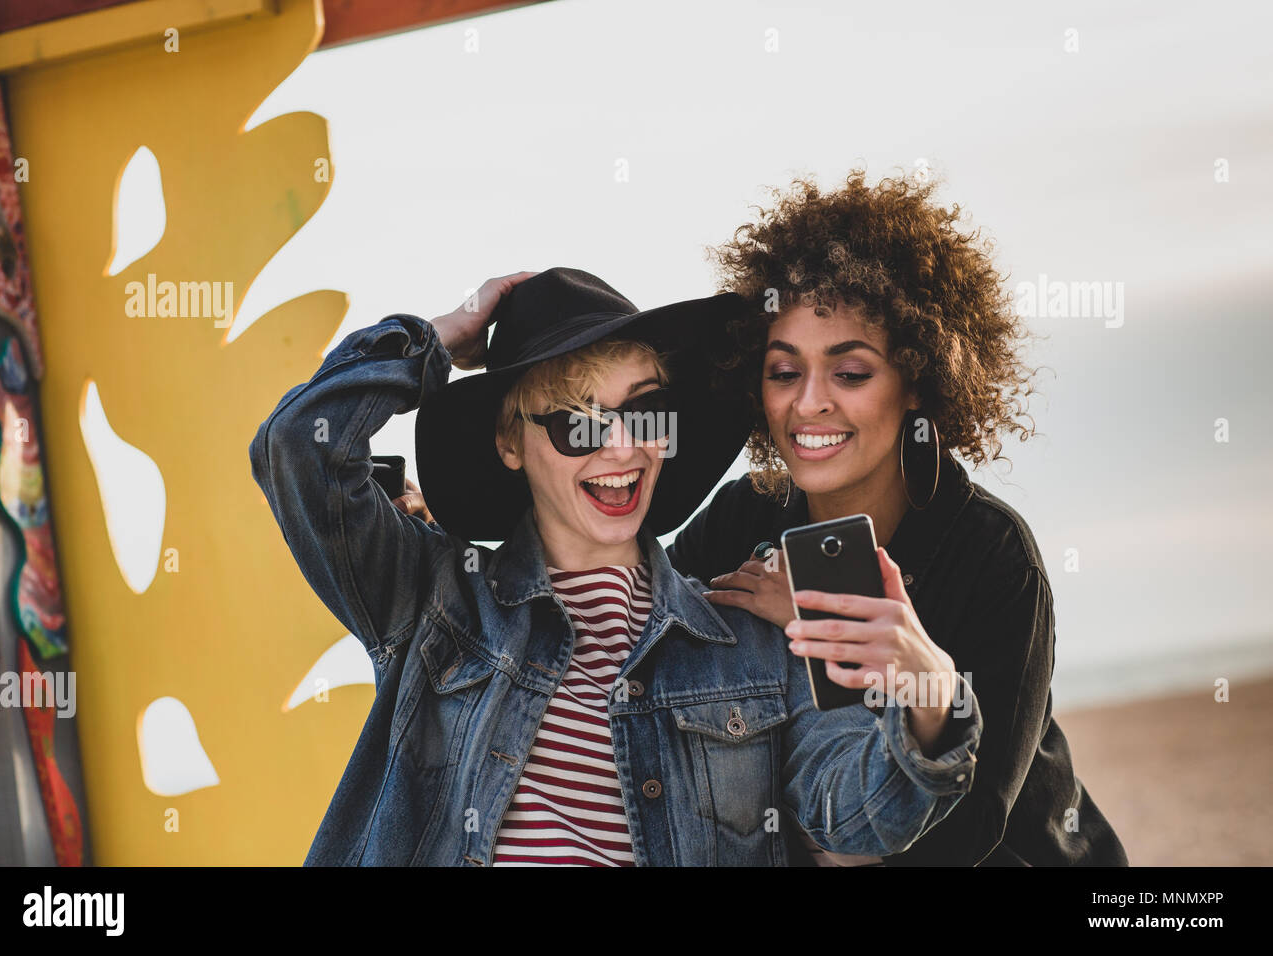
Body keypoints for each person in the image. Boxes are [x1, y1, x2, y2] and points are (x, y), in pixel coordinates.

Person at [248, 266, 983, 866]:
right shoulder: (433, 601)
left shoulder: (751, 645)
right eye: (576, 423)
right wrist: (435, 338)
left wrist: (930, 690)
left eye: (645, 411)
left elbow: (854, 823)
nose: (622, 448)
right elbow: (298, 447)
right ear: (512, 442)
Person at [667, 171, 1128, 866]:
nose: (809, 403)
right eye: (784, 371)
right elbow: (632, 638)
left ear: (916, 379)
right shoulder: (740, 522)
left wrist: (825, 633)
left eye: (850, 373)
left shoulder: (993, 554)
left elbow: (967, 835)